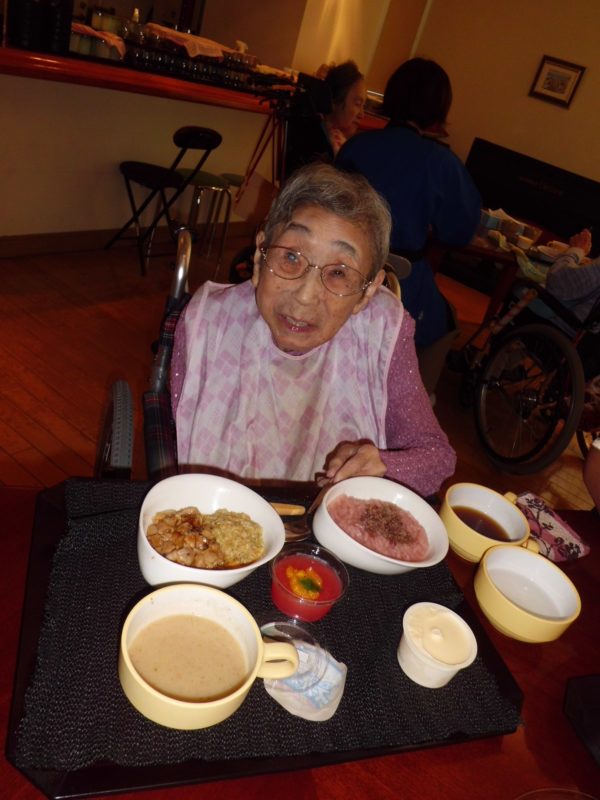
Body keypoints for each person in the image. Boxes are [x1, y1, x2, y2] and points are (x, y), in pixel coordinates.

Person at [171, 163, 455, 496]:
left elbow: (437, 457)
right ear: (260, 259)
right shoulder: (208, 323)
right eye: (291, 257)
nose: (305, 297)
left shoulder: (380, 333)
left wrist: (382, 465)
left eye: (339, 273)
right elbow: (173, 439)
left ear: (367, 292)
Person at [336, 58, 481, 392]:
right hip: (399, 277)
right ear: (438, 108)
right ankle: (416, 400)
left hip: (344, 263)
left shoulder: (357, 146)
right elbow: (459, 231)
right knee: (444, 324)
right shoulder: (441, 162)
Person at [284, 61, 366, 177]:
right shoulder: (310, 142)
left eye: (364, 106)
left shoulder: (344, 145)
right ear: (334, 101)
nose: (362, 114)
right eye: (358, 104)